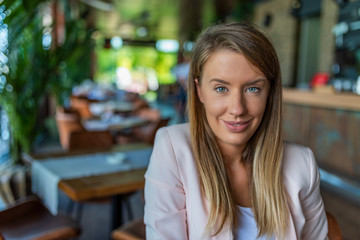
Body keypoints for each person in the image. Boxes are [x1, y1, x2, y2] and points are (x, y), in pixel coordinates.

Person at [144, 22, 328, 239]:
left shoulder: (302, 165)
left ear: (269, 93)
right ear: (199, 91)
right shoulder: (173, 149)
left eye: (252, 89)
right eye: (221, 88)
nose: (237, 109)